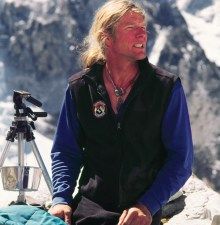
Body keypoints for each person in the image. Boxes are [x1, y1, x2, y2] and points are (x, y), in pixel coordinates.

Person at [49, 0, 193, 224]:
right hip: (90, 207)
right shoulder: (80, 87)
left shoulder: (166, 88)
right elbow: (66, 151)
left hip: (143, 208)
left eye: (143, 28)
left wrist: (148, 204)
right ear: (107, 37)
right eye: (131, 28)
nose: (142, 35)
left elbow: (180, 159)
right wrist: (60, 198)